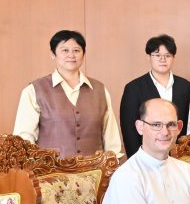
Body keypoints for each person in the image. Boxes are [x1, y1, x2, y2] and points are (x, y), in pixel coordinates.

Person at [14, 29, 122, 158]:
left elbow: (111, 135)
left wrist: (112, 160)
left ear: (83, 54)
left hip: (95, 168)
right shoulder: (34, 90)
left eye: (76, 50)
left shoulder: (100, 89)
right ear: (53, 54)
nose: (71, 55)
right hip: (50, 169)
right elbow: (24, 138)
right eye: (65, 50)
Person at [120, 34, 190, 157]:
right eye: (157, 55)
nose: (162, 59)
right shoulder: (133, 88)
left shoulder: (186, 86)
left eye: (167, 55)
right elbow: (129, 130)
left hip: (180, 155)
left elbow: (189, 124)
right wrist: (137, 159)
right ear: (149, 57)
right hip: (147, 156)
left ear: (173, 58)